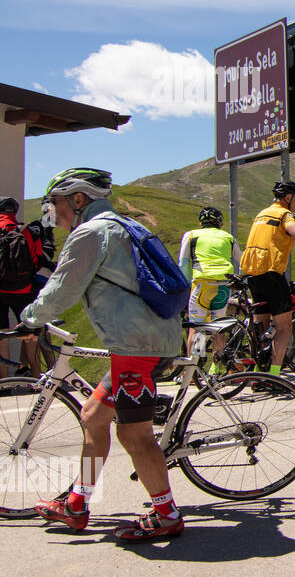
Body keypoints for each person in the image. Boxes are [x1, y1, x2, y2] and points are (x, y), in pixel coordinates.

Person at [21, 169, 185, 541]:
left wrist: (30, 318)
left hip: (136, 348)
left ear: (78, 199)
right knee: (94, 417)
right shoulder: (121, 225)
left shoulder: (92, 233)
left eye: (55, 204)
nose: (53, 213)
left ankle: (167, 515)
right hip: (143, 341)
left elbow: (62, 291)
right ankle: (76, 505)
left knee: (134, 434)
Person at [239, 181, 295, 375]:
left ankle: (257, 373)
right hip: (271, 273)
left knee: (261, 324)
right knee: (284, 327)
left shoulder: (261, 213)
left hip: (252, 272)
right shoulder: (284, 214)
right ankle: (274, 375)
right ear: (288, 198)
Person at [177, 206, 241, 364]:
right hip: (223, 285)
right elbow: (242, 262)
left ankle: (191, 373)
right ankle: (217, 370)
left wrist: (184, 287)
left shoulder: (191, 235)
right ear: (220, 222)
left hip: (202, 284)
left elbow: (183, 263)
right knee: (219, 328)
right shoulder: (228, 237)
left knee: (195, 327)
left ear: (201, 222)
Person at [1, 196, 44, 376]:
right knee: (30, 336)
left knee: (2, 337)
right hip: (25, 290)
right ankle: (36, 379)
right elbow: (38, 259)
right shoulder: (27, 231)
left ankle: (3, 385)